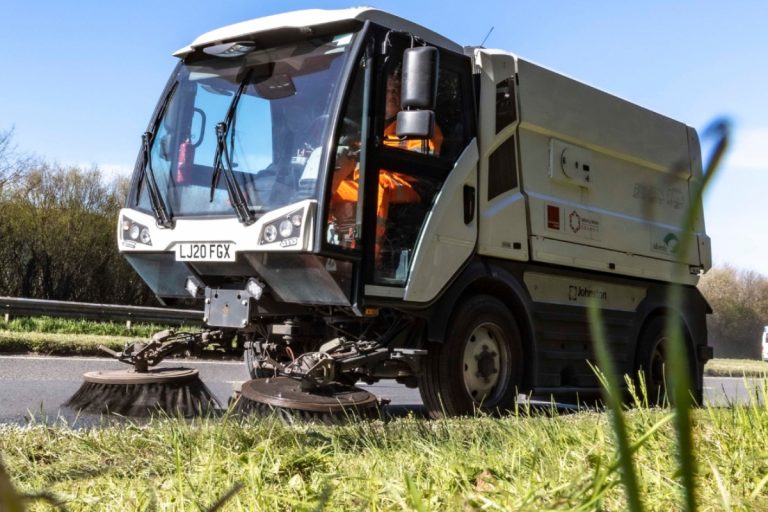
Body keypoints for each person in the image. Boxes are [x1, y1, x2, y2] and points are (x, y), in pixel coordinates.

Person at [329, 68, 443, 271]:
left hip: (413, 186)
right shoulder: (369, 128)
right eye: (387, 90)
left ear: (406, 96)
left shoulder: (421, 125)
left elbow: (424, 163)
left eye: (396, 90)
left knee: (375, 184)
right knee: (332, 185)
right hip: (365, 180)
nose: (391, 95)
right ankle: (330, 241)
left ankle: (368, 255)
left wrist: (376, 158)